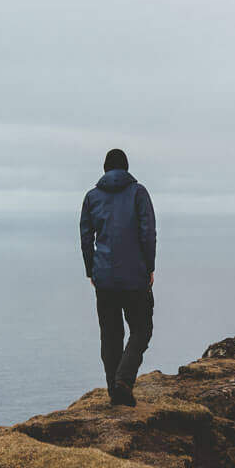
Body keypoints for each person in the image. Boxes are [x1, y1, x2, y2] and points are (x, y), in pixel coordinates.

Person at [79, 148, 156, 406]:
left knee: (110, 335)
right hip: (135, 275)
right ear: (126, 168)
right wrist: (150, 267)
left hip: (104, 278)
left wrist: (91, 270)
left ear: (104, 169)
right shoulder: (138, 193)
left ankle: (115, 388)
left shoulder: (92, 197)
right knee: (142, 328)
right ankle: (123, 381)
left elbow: (85, 237)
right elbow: (148, 232)